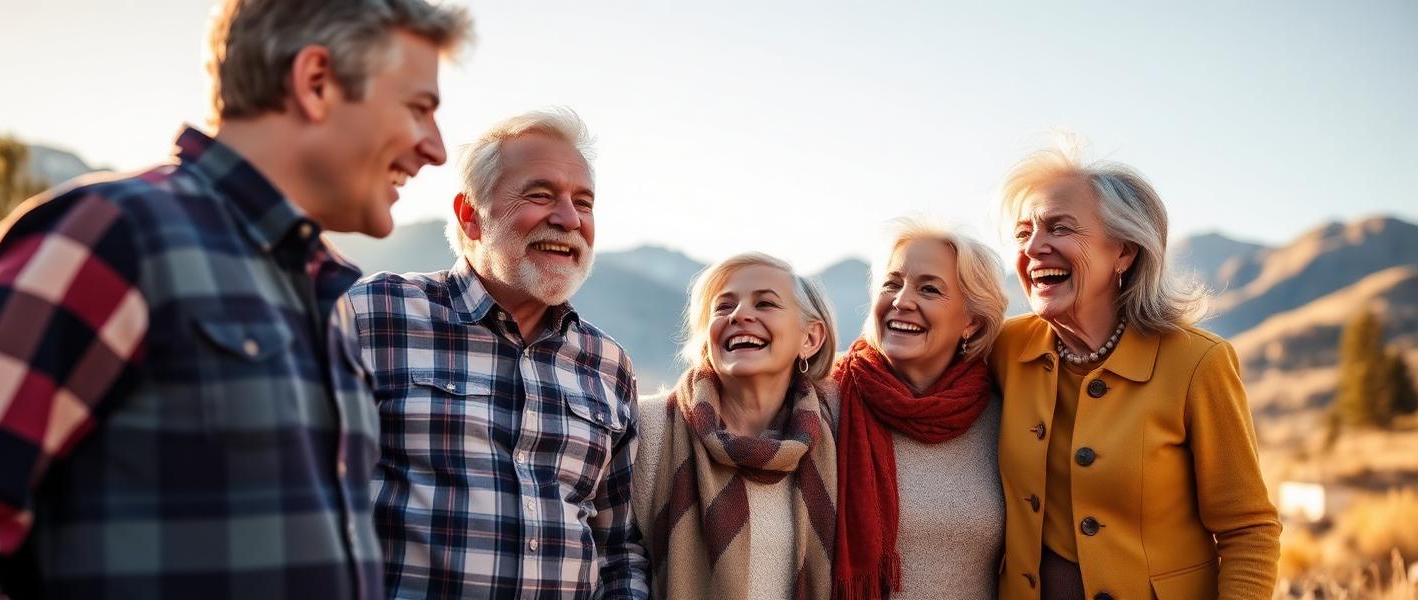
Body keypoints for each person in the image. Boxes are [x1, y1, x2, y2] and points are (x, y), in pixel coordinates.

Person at [0, 1, 471, 598]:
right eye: (419, 108)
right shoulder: (116, 236)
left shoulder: (327, 293)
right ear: (316, 83)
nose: (437, 149)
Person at [345, 108, 648, 598]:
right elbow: (305, 502)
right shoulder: (375, 315)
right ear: (470, 215)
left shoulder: (608, 365)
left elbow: (618, 547)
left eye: (584, 203)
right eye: (540, 195)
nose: (568, 219)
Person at [990, 145, 1281, 599]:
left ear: (1124, 251)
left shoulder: (1197, 363)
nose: (1033, 247)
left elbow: (1249, 530)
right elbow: (917, 354)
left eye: (1059, 227)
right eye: (1024, 232)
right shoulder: (1005, 348)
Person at [632, 252, 839, 600]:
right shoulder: (650, 428)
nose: (740, 315)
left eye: (766, 304)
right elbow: (615, 561)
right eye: (723, 307)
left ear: (811, 338)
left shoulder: (836, 433)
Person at [832, 218, 1008, 599]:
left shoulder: (1005, 415)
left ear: (972, 322)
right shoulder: (825, 399)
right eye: (891, 284)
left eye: (929, 289)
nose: (901, 301)